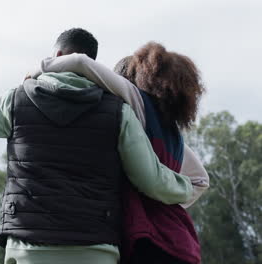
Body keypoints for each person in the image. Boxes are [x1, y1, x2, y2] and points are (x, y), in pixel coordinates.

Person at [0, 28, 195, 264]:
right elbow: (152, 180)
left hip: (28, 247)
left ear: (56, 55)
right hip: (95, 249)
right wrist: (185, 187)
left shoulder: (15, 101)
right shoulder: (119, 113)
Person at [31, 42, 209, 264]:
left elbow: (80, 62)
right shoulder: (175, 136)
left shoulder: (135, 102)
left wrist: (36, 73)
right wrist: (169, 197)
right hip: (181, 242)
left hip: (148, 242)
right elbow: (201, 180)